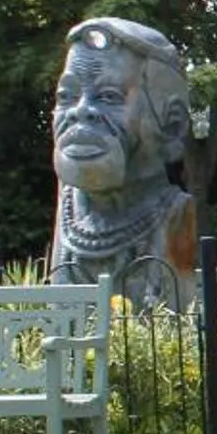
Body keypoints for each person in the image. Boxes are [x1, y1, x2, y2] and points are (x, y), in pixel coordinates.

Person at [47, 17, 196, 306]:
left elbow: (171, 335)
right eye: (67, 96)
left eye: (109, 96)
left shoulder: (176, 213)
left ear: (172, 123)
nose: (81, 111)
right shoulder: (67, 209)